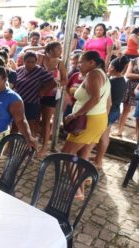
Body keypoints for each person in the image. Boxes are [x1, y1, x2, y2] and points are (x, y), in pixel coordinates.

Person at [62, 51, 111, 199]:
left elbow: (95, 98)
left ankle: (77, 190)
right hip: (98, 119)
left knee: (67, 153)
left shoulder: (93, 75)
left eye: (81, 62)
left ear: (92, 63)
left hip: (88, 121)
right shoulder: (102, 74)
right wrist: (102, 121)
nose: (78, 64)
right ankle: (82, 182)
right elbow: (109, 103)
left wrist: (74, 115)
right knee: (82, 154)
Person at [94, 56, 129, 169]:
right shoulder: (123, 80)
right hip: (115, 111)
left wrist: (107, 76)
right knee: (105, 136)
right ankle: (98, 159)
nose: (108, 67)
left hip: (108, 111)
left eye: (109, 66)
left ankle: (98, 161)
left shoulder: (110, 81)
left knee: (101, 137)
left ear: (112, 67)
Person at [14, 52, 56, 136]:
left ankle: (31, 147)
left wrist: (43, 91)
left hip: (31, 102)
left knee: (30, 126)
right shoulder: (19, 70)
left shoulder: (40, 71)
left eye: (33, 62)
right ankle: (12, 143)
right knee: (15, 124)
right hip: (18, 101)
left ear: (36, 62)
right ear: (24, 61)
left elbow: (53, 82)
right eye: (28, 62)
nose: (30, 64)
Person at [37, 42, 68, 156]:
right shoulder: (40, 58)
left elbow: (65, 80)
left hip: (52, 95)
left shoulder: (60, 63)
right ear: (50, 50)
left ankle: (44, 147)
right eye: (58, 48)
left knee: (46, 121)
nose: (61, 51)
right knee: (35, 119)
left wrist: (56, 84)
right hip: (37, 93)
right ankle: (33, 142)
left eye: (61, 48)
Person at [114, 57, 139, 138]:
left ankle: (137, 134)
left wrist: (134, 75)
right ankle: (120, 130)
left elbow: (130, 74)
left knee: (138, 113)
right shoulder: (133, 60)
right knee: (125, 109)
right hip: (130, 86)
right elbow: (127, 75)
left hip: (136, 86)